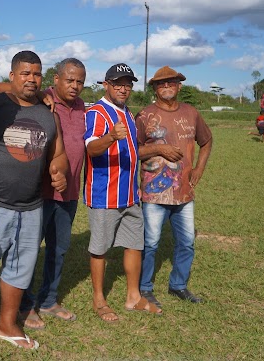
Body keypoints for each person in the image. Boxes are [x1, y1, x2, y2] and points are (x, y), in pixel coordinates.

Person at [0, 51, 69, 350]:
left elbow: (59, 152)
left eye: (36, 74)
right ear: (11, 76)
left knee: (20, 268)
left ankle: (6, 324)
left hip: (32, 206)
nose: (31, 79)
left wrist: (59, 170)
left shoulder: (49, 112)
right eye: (24, 73)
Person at [84, 63, 161, 323]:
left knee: (134, 245)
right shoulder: (97, 112)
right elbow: (91, 149)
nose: (123, 88)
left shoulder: (127, 113)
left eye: (128, 84)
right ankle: (98, 300)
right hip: (104, 195)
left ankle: (133, 297)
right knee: (100, 248)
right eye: (118, 83)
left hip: (130, 195)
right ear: (105, 84)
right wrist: (110, 137)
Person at [136, 66, 213, 306]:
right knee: (150, 243)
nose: (167, 86)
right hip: (154, 193)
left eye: (171, 82)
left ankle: (178, 285)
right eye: (161, 83)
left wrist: (199, 168)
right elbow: (134, 150)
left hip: (184, 193)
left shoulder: (191, 113)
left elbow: (207, 141)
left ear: (179, 86)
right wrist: (158, 149)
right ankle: (145, 288)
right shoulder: (144, 115)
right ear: (155, 88)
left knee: (187, 242)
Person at [19, 58, 87, 329]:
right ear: (56, 79)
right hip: (40, 193)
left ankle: (48, 300)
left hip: (69, 193)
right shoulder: (41, 99)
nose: (75, 86)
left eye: (80, 81)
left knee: (58, 249)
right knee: (29, 251)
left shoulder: (83, 107)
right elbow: (4, 88)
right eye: (69, 80)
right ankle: (24, 305)